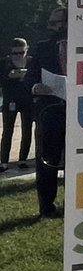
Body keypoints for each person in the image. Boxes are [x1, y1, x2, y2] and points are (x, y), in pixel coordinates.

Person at [24, 7, 68, 217]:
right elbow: (29, 77)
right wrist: (36, 87)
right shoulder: (43, 47)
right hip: (49, 112)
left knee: (77, 161)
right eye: (50, 22)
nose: (50, 27)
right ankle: (46, 207)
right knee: (46, 160)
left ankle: (75, 205)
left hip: (81, 114)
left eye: (55, 23)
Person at [1, 37, 33, 172]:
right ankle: (4, 162)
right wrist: (9, 76)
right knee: (8, 130)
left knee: (27, 129)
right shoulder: (4, 62)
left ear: (26, 50)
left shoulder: (31, 62)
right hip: (11, 98)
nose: (18, 56)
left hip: (27, 99)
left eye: (21, 53)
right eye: (15, 53)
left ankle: (23, 159)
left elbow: (35, 77)